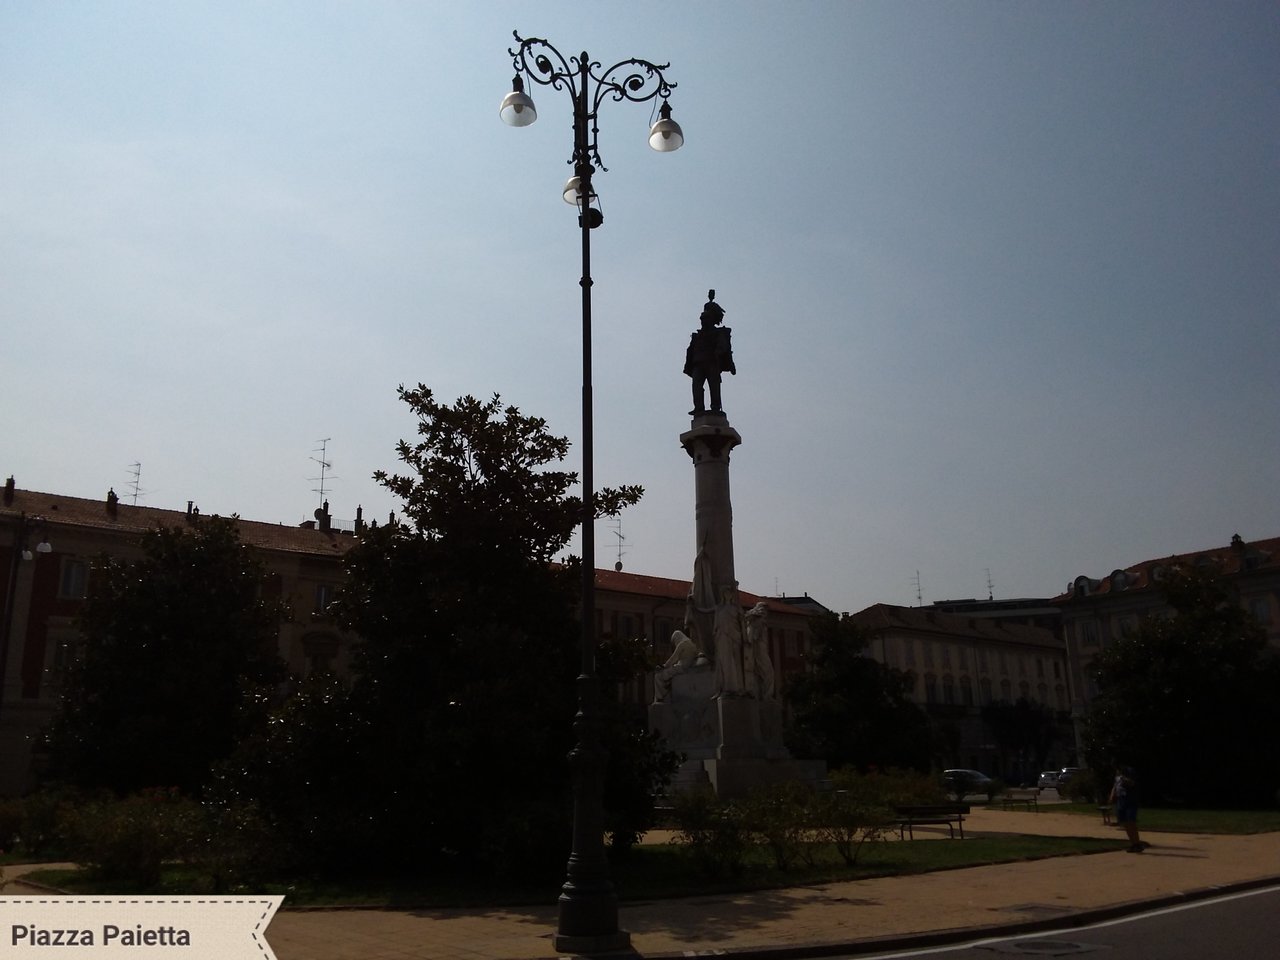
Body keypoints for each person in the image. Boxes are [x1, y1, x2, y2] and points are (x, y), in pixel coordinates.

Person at [684, 289, 736, 414]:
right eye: (702, 319)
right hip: (698, 363)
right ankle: (699, 407)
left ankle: (715, 407)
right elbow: (691, 349)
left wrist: (718, 352)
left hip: (712, 362)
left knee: (714, 386)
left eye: (705, 318)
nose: (702, 321)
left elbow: (723, 346)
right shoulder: (698, 335)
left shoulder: (718, 333)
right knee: (696, 386)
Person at [1110, 765, 1148, 852]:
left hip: (1130, 800)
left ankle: (1137, 843)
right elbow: (1115, 785)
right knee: (1125, 823)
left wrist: (1124, 778)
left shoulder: (1129, 773)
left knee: (1131, 822)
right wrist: (1112, 795)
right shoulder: (1117, 777)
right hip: (1121, 801)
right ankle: (1133, 844)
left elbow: (1132, 783)